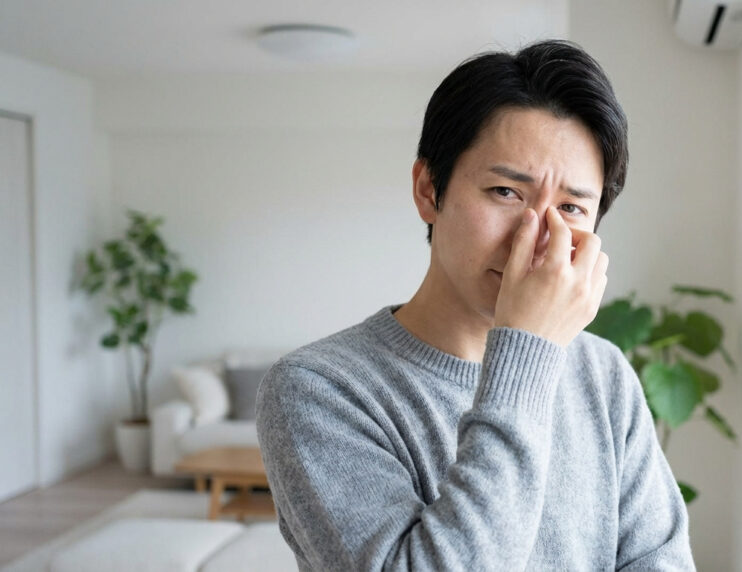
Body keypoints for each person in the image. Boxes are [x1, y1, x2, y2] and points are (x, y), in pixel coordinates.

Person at [256, 40, 696, 571]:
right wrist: (527, 351)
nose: (534, 238)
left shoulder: (604, 376)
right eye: (506, 193)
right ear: (428, 189)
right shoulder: (317, 389)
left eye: (572, 207)